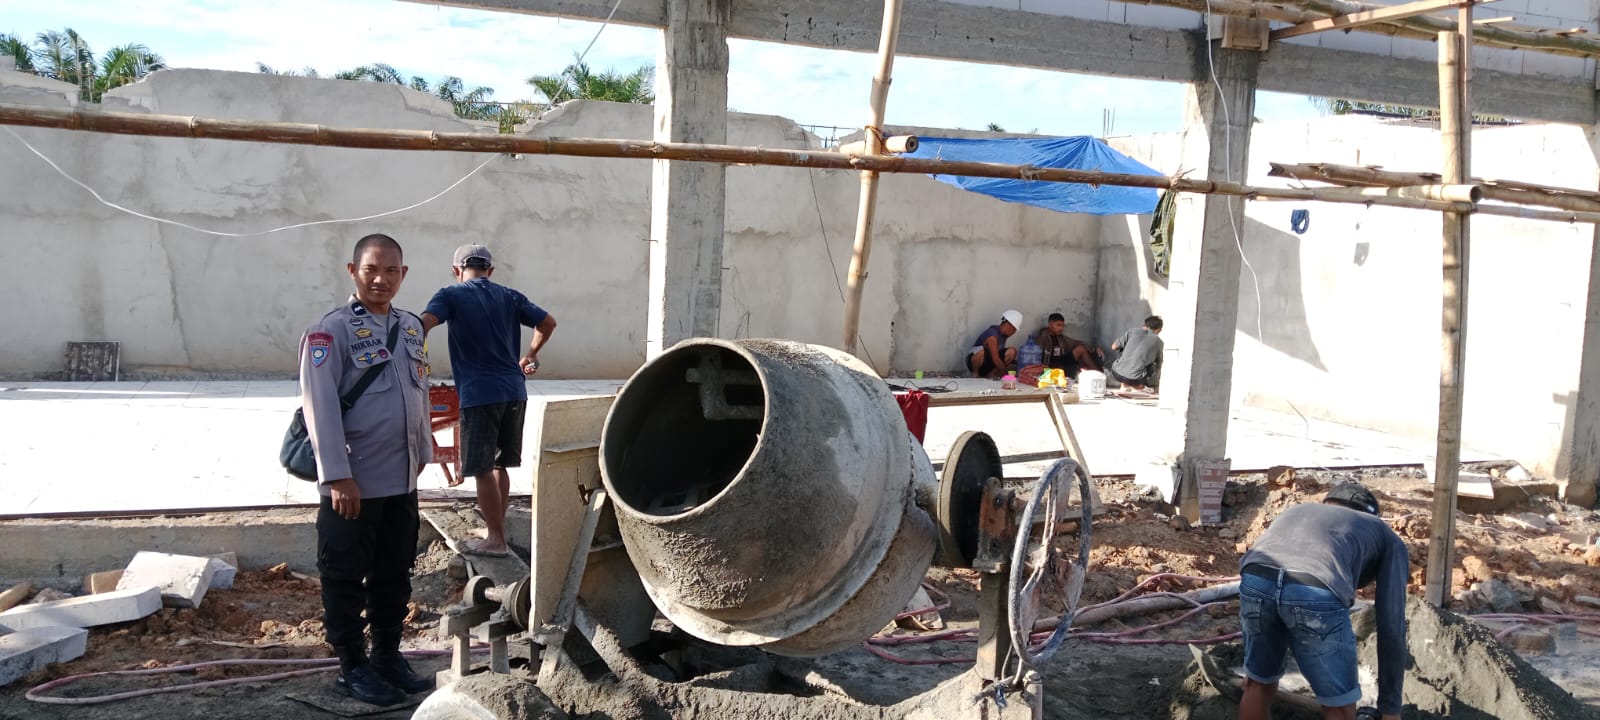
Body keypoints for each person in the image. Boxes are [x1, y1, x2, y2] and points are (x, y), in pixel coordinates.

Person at [299, 233, 435, 706]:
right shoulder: (329, 332)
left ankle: (387, 657)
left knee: (394, 572)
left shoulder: (410, 327)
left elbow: (418, 392)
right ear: (352, 271)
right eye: (371, 270)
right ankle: (352, 666)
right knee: (344, 576)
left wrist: (423, 452)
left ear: (403, 274)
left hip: (401, 479)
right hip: (353, 483)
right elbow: (320, 407)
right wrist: (337, 475)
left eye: (391, 270)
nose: (381, 279)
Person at [422, 244, 557, 558]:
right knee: (499, 465)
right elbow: (548, 322)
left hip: (479, 394)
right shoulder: (510, 296)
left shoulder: (450, 295)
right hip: (514, 391)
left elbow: (424, 323)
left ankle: (495, 540)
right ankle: (497, 530)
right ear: (490, 271)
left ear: (457, 270)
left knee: (481, 469)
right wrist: (530, 355)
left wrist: (414, 359)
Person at [1236, 482, 1407, 720]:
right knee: (1338, 704)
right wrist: (1390, 710)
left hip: (1255, 578)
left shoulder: (1298, 510)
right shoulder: (1384, 533)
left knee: (1258, 684)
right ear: (1371, 514)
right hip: (1315, 589)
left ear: (1328, 502)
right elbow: (1391, 625)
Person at [1034, 312, 1103, 379]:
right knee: (1079, 369)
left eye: (1063, 326)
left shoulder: (1060, 337)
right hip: (1049, 367)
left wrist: (1094, 348)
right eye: (1058, 325)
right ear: (1050, 324)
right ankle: (1097, 375)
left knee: (1081, 349)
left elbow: (1076, 342)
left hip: (1062, 362)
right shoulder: (1043, 337)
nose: (1061, 328)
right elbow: (1037, 356)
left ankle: (1099, 374)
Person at [1108, 315, 1164, 390]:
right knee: (1153, 365)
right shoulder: (1159, 342)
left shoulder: (1133, 331)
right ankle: (1140, 386)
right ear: (1159, 330)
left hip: (1116, 373)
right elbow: (1159, 364)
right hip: (1135, 379)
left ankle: (1124, 384)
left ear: (1145, 325)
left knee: (1124, 348)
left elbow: (1114, 347)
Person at [967, 310, 1022, 379]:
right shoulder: (992, 336)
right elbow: (995, 359)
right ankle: (975, 374)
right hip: (977, 362)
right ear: (1008, 326)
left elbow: (999, 355)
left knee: (1012, 352)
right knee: (980, 353)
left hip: (989, 362)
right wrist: (1006, 373)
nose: (1013, 333)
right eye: (1013, 330)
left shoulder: (1003, 335)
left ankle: (991, 374)